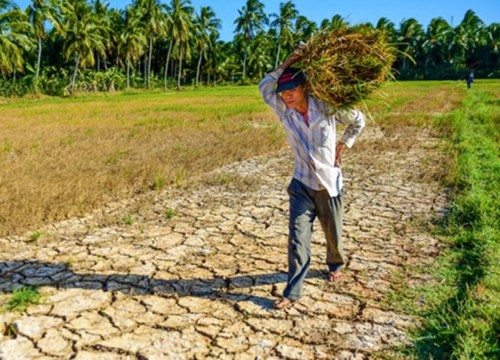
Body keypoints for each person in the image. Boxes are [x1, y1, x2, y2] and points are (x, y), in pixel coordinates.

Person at [259, 45, 365, 309]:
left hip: (329, 184)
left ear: (304, 87)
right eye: (282, 94)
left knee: (333, 234)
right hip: (301, 184)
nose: (286, 98)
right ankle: (292, 292)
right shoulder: (284, 110)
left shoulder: (327, 107)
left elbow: (358, 119)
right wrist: (290, 61)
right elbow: (264, 85)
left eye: (291, 92)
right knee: (297, 238)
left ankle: (335, 264)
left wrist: (345, 142)